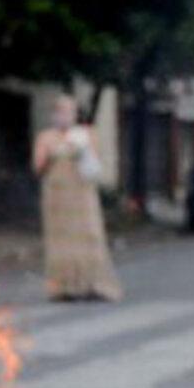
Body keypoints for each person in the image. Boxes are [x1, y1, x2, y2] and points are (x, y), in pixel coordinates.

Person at [33, 95, 121, 302]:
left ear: (74, 114)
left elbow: (96, 167)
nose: (63, 116)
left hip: (82, 195)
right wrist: (52, 155)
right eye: (59, 111)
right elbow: (38, 168)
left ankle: (94, 285)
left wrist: (82, 152)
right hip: (57, 196)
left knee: (89, 237)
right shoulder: (46, 138)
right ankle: (63, 287)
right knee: (61, 242)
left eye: (68, 111)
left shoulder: (86, 135)